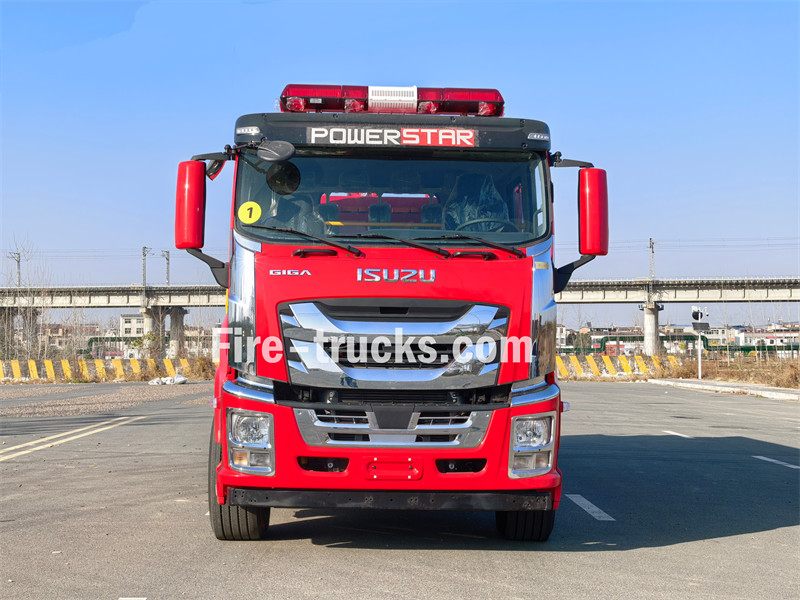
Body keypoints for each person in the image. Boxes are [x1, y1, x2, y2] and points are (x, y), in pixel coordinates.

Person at [443, 174, 509, 232]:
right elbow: (450, 234)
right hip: (461, 241)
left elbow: (504, 231)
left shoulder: (499, 209)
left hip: (495, 242)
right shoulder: (454, 210)